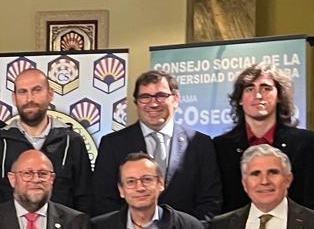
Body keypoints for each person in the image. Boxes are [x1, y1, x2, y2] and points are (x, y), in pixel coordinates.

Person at [91, 69, 221, 220]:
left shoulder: (200, 144)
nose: (153, 104)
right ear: (136, 103)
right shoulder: (112, 144)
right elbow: (103, 200)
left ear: (176, 99)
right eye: (145, 97)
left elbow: (210, 200)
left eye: (161, 96)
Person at [213, 64, 314, 213]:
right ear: (240, 100)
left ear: (279, 96)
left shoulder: (306, 143)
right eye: (250, 89)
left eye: (266, 88)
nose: (258, 95)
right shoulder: (220, 147)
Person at [0, 65, 94, 214]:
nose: (30, 99)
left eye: (37, 90)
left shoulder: (72, 142)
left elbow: (85, 198)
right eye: (23, 92)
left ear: (50, 94)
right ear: (14, 98)